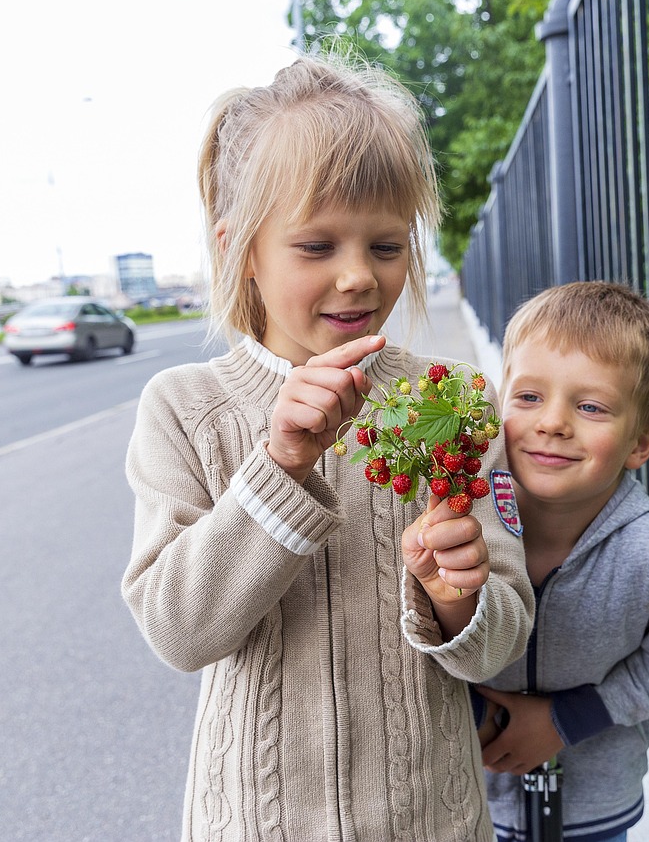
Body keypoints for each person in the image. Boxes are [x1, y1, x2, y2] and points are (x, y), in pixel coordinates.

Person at [121, 53, 535, 842]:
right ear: (241, 249)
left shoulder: (454, 400)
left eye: (386, 246)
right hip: (255, 820)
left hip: (432, 821)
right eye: (316, 247)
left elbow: (503, 637)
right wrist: (277, 466)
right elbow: (179, 629)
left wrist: (457, 596)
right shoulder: (185, 409)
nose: (357, 277)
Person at [473, 281, 649, 842]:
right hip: (461, 795)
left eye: (590, 406)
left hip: (593, 809)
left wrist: (567, 721)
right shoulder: (459, 523)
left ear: (640, 443)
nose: (553, 423)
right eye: (529, 397)